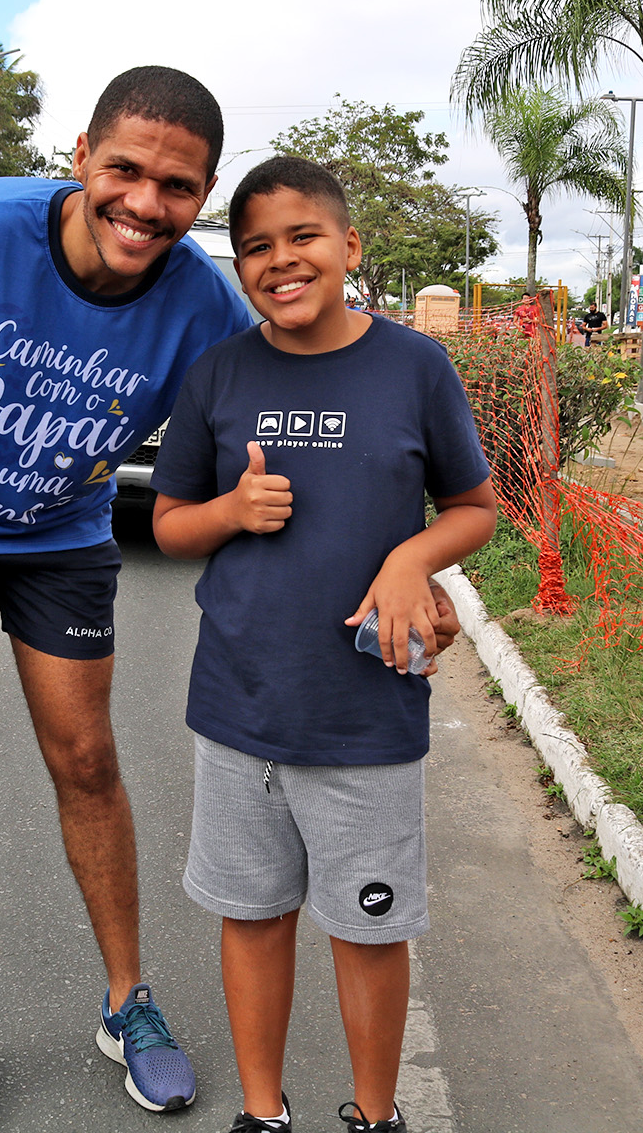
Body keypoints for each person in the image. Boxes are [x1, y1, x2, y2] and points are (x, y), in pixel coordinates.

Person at [0, 67, 468, 1133]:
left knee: (85, 757)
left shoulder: (205, 306)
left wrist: (414, 564)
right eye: (124, 170)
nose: (145, 204)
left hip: (61, 529)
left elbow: (315, 416)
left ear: (202, 194)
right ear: (80, 156)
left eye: (177, 187)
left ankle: (128, 1002)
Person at [148, 156, 498, 1133]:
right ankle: (262, 1112)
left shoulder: (414, 367)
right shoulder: (218, 374)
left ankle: (376, 1116)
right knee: (252, 918)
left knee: (368, 930)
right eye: (255, 246)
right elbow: (169, 525)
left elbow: (474, 507)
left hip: (365, 713)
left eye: (302, 236)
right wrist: (229, 510)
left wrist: (411, 559)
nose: (281, 260)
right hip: (239, 709)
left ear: (349, 245)